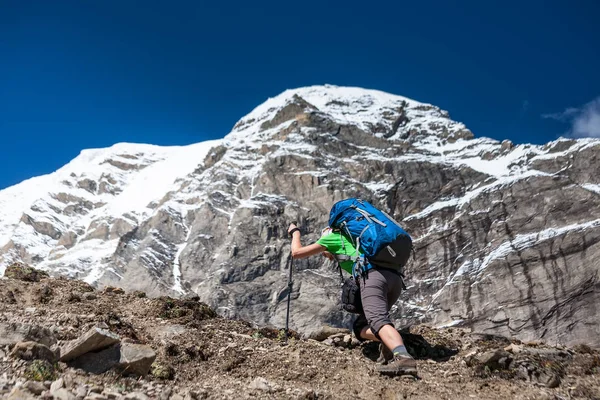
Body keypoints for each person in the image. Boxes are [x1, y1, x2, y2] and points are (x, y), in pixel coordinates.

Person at [287, 223, 417, 376]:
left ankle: (403, 357)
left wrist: (295, 233)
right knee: (360, 327)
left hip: (373, 278)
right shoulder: (357, 240)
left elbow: (296, 252)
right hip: (394, 279)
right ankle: (389, 341)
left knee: (378, 321)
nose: (325, 254)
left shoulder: (331, 237)